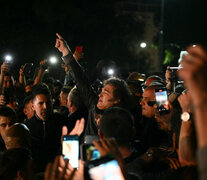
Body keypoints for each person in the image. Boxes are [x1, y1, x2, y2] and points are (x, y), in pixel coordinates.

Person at [55, 33, 133, 138]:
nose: (100, 95)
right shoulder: (94, 104)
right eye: (102, 91)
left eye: (106, 93)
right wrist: (66, 52)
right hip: (88, 153)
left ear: (117, 100)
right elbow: (81, 80)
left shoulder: (124, 119)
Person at [24, 85, 68, 172]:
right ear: (33, 106)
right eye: (41, 103)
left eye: (48, 103)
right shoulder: (27, 127)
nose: (45, 107)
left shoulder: (62, 122)